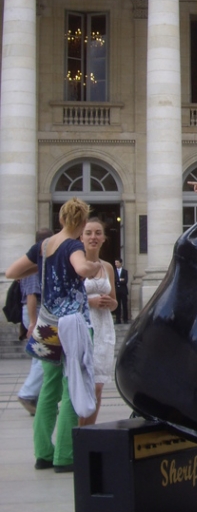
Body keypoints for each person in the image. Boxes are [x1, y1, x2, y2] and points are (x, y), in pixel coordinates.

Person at [6, 198, 98, 472]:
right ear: (82, 223)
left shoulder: (44, 246)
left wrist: (42, 266)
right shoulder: (74, 245)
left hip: (47, 325)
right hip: (73, 324)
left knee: (48, 389)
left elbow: (12, 271)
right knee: (74, 387)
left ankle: (43, 453)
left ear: (61, 219)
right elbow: (81, 268)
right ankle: (65, 455)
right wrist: (92, 268)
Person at [80, 218, 118, 425]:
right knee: (83, 385)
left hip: (103, 327)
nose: (93, 237)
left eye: (97, 233)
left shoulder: (108, 267)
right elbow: (67, 299)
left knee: (98, 386)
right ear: (81, 237)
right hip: (83, 325)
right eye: (88, 233)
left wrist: (109, 303)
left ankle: (88, 432)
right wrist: (90, 301)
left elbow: (114, 303)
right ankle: (78, 434)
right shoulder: (75, 263)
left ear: (104, 238)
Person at [16, 229, 52, 416]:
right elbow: (31, 296)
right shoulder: (34, 264)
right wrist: (32, 322)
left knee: (38, 357)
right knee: (44, 356)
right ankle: (28, 394)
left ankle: (35, 397)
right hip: (36, 313)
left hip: (39, 313)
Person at [114, 258, 129, 324]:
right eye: (115, 263)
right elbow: (114, 280)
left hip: (123, 291)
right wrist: (120, 280)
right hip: (117, 291)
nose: (116, 264)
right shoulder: (114, 271)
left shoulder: (125, 271)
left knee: (124, 305)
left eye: (117, 263)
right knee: (118, 305)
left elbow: (125, 281)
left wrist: (118, 280)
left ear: (120, 263)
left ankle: (125, 319)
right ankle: (118, 319)